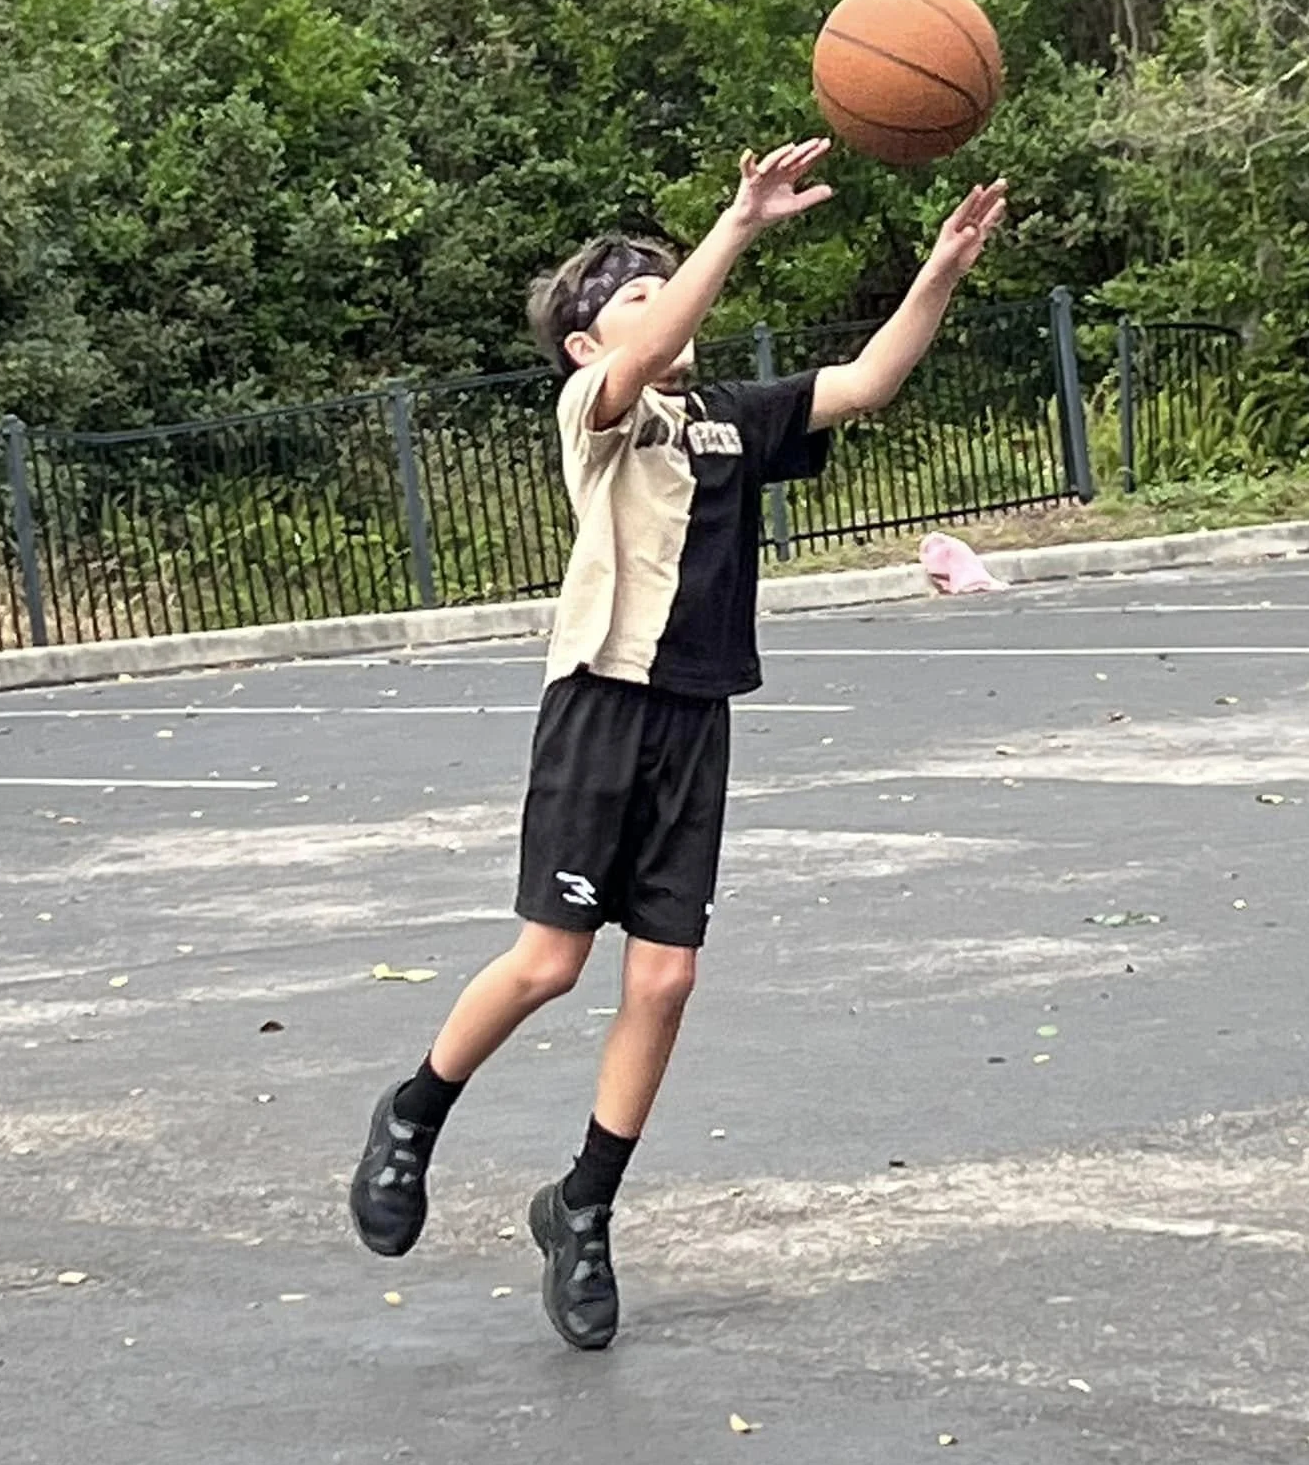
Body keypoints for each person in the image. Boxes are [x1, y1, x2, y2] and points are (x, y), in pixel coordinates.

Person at [349, 138, 1007, 1349]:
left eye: (668, 283)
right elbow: (647, 348)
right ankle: (414, 1111)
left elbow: (863, 383)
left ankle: (582, 1207)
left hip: (695, 717)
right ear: (586, 344)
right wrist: (738, 225)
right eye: (636, 296)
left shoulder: (725, 420)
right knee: (550, 964)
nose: (663, 308)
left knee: (666, 977)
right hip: (603, 703)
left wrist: (942, 271)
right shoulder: (598, 408)